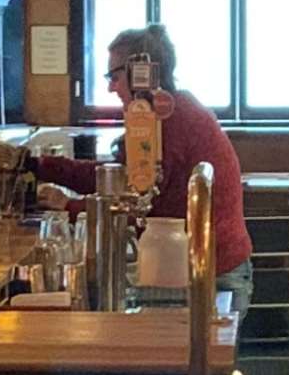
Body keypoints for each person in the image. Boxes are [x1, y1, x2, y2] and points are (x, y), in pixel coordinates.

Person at [93, 24, 255, 301]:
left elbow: (138, 196)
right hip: (205, 263)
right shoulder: (170, 110)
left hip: (212, 272)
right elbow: (127, 177)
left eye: (114, 76)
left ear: (140, 73)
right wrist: (44, 169)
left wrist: (70, 206)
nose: (110, 87)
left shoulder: (169, 119)